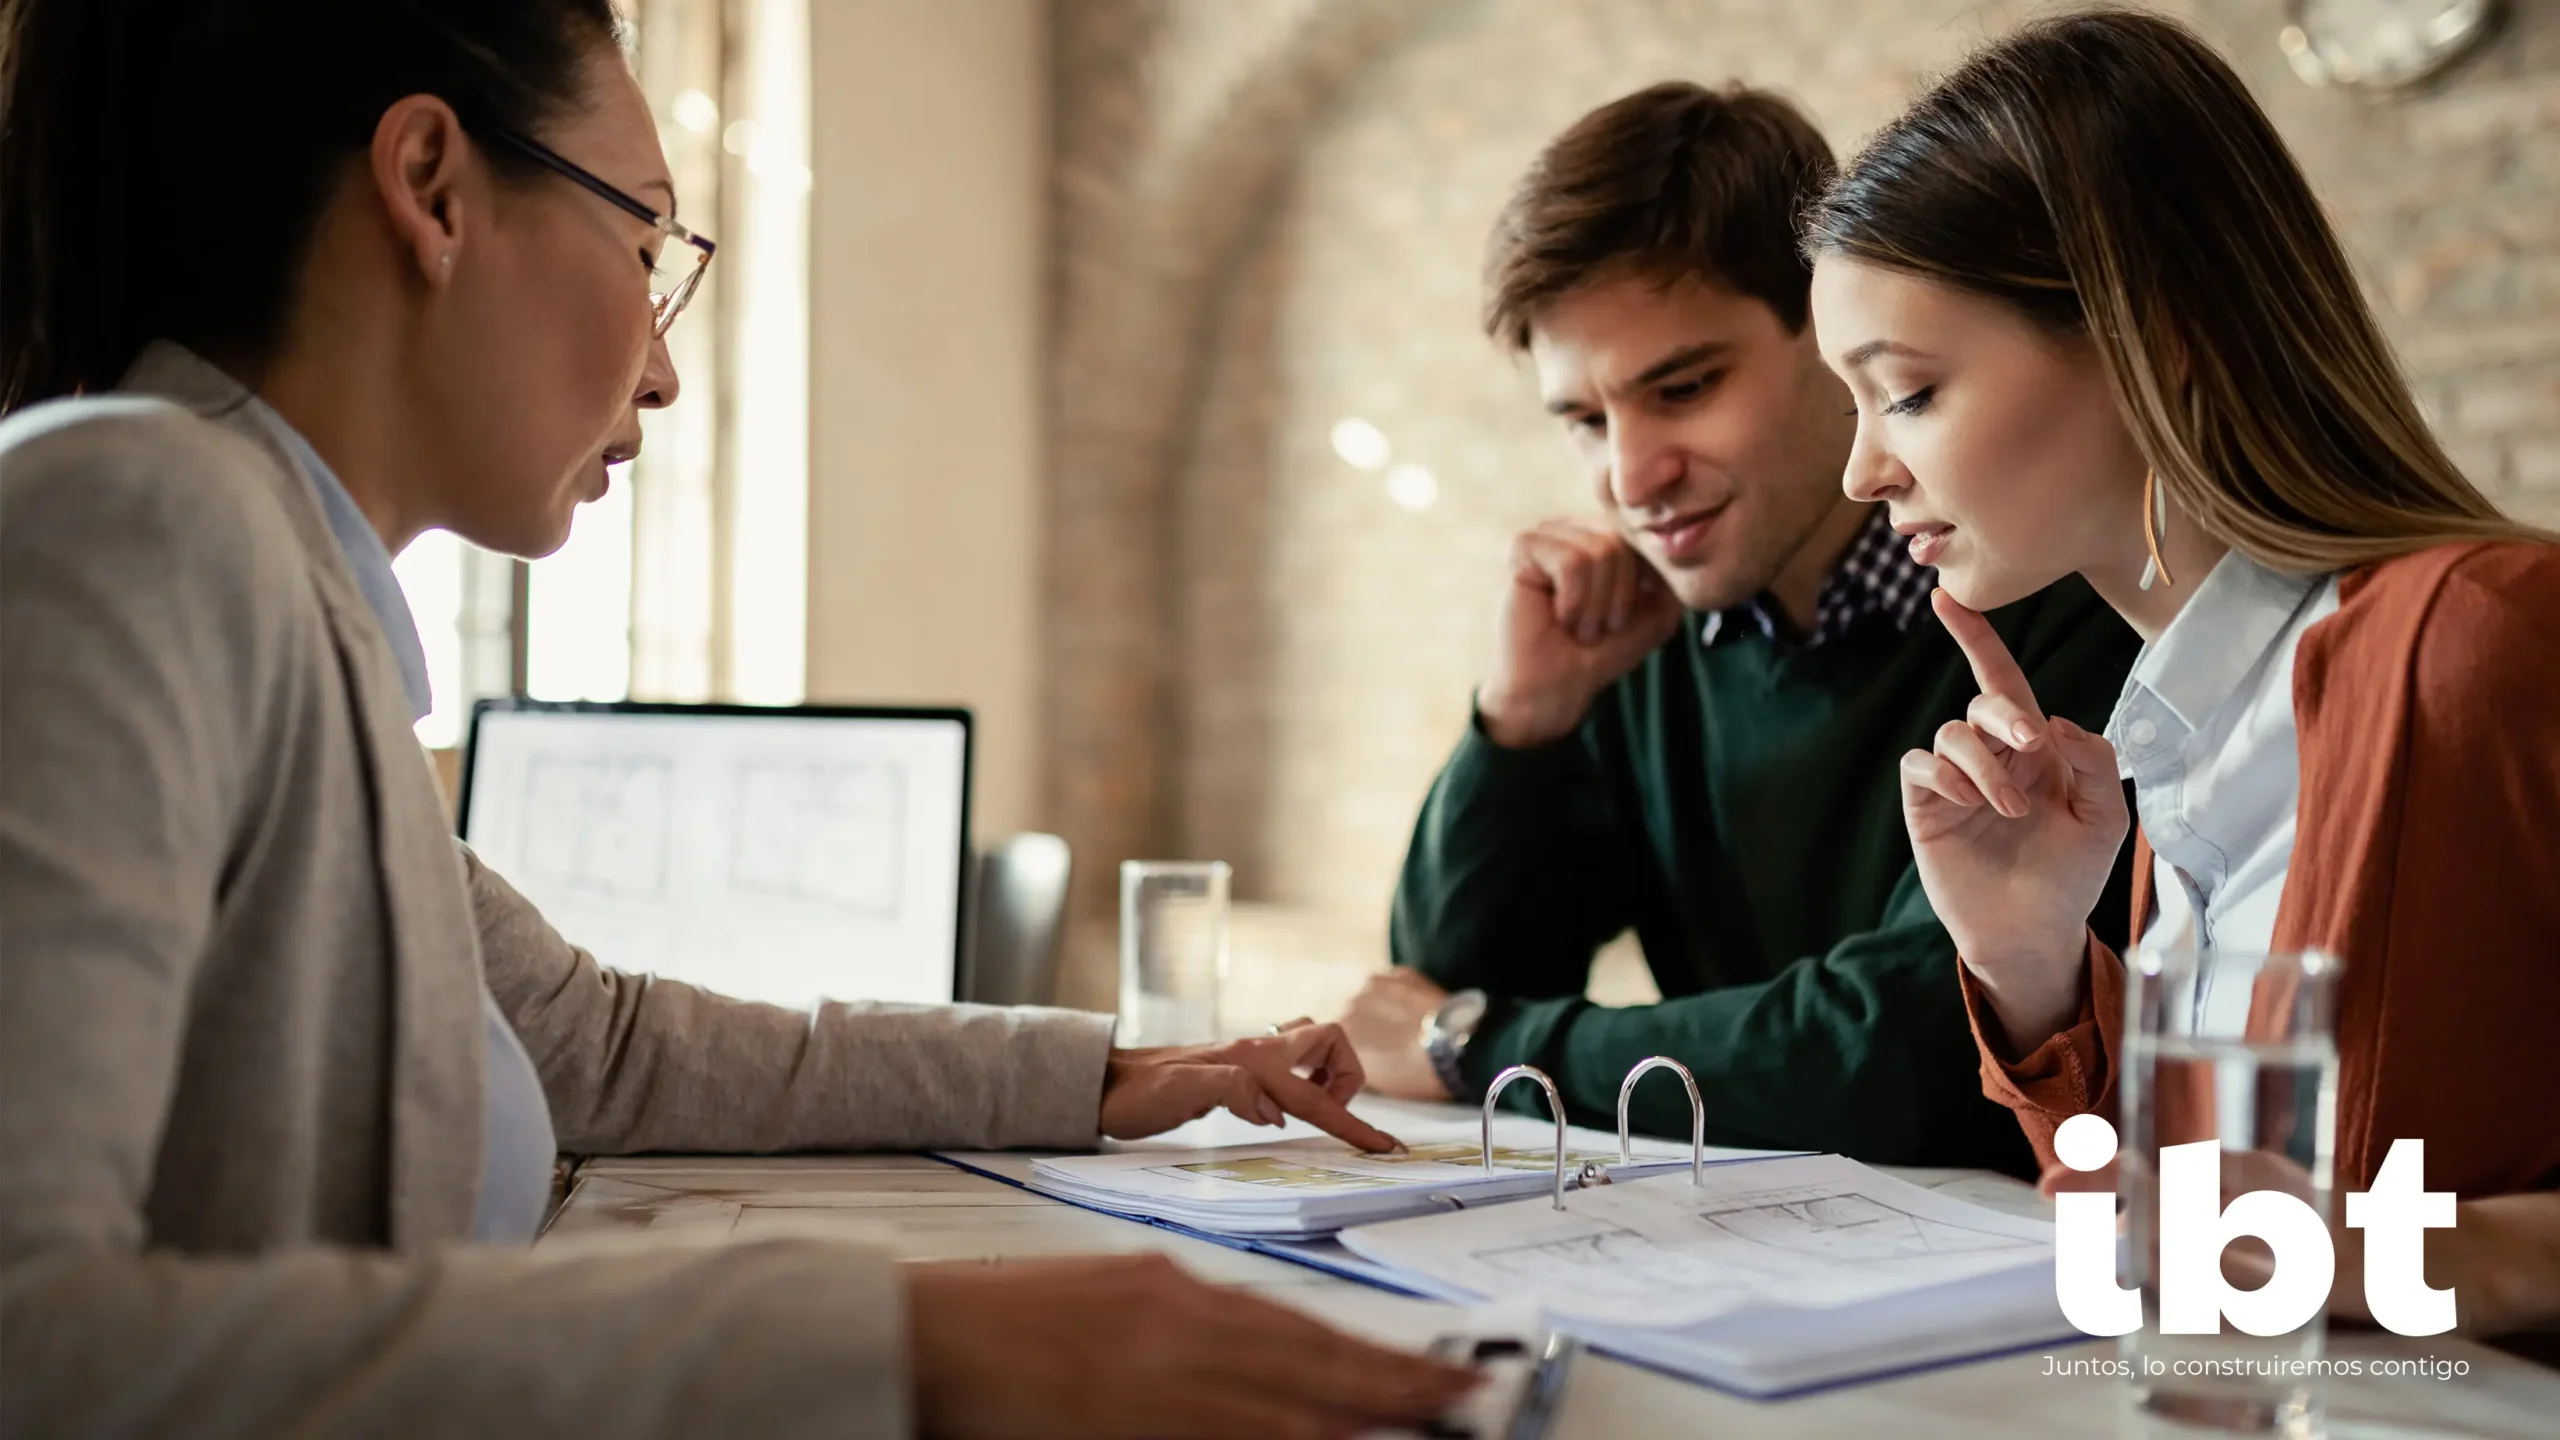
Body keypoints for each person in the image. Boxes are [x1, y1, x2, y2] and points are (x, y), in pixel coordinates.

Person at [0, 3, 1477, 1435]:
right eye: (645, 244)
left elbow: (599, 1045)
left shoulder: (280, 599)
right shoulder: (133, 520)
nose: (662, 364)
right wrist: (898, 1346)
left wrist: (1112, 1074)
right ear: (433, 187)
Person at [1802, 8, 2560, 1339]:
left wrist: (2453, 1259)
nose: (1862, 472)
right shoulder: (2176, 735)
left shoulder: (2483, 644)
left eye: (1907, 391)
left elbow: (2306, 1263)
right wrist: (2034, 967)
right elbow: (2171, 1265)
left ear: (2155, 338)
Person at [1335, 81, 2140, 1168]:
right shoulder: (1637, 639)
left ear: (1833, 331)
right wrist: (1519, 725)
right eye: (1583, 420)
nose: (1630, 477)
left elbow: (1907, 1055)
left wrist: (1485, 1045)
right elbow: (1437, 994)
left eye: (1683, 388)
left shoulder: (2064, 590)